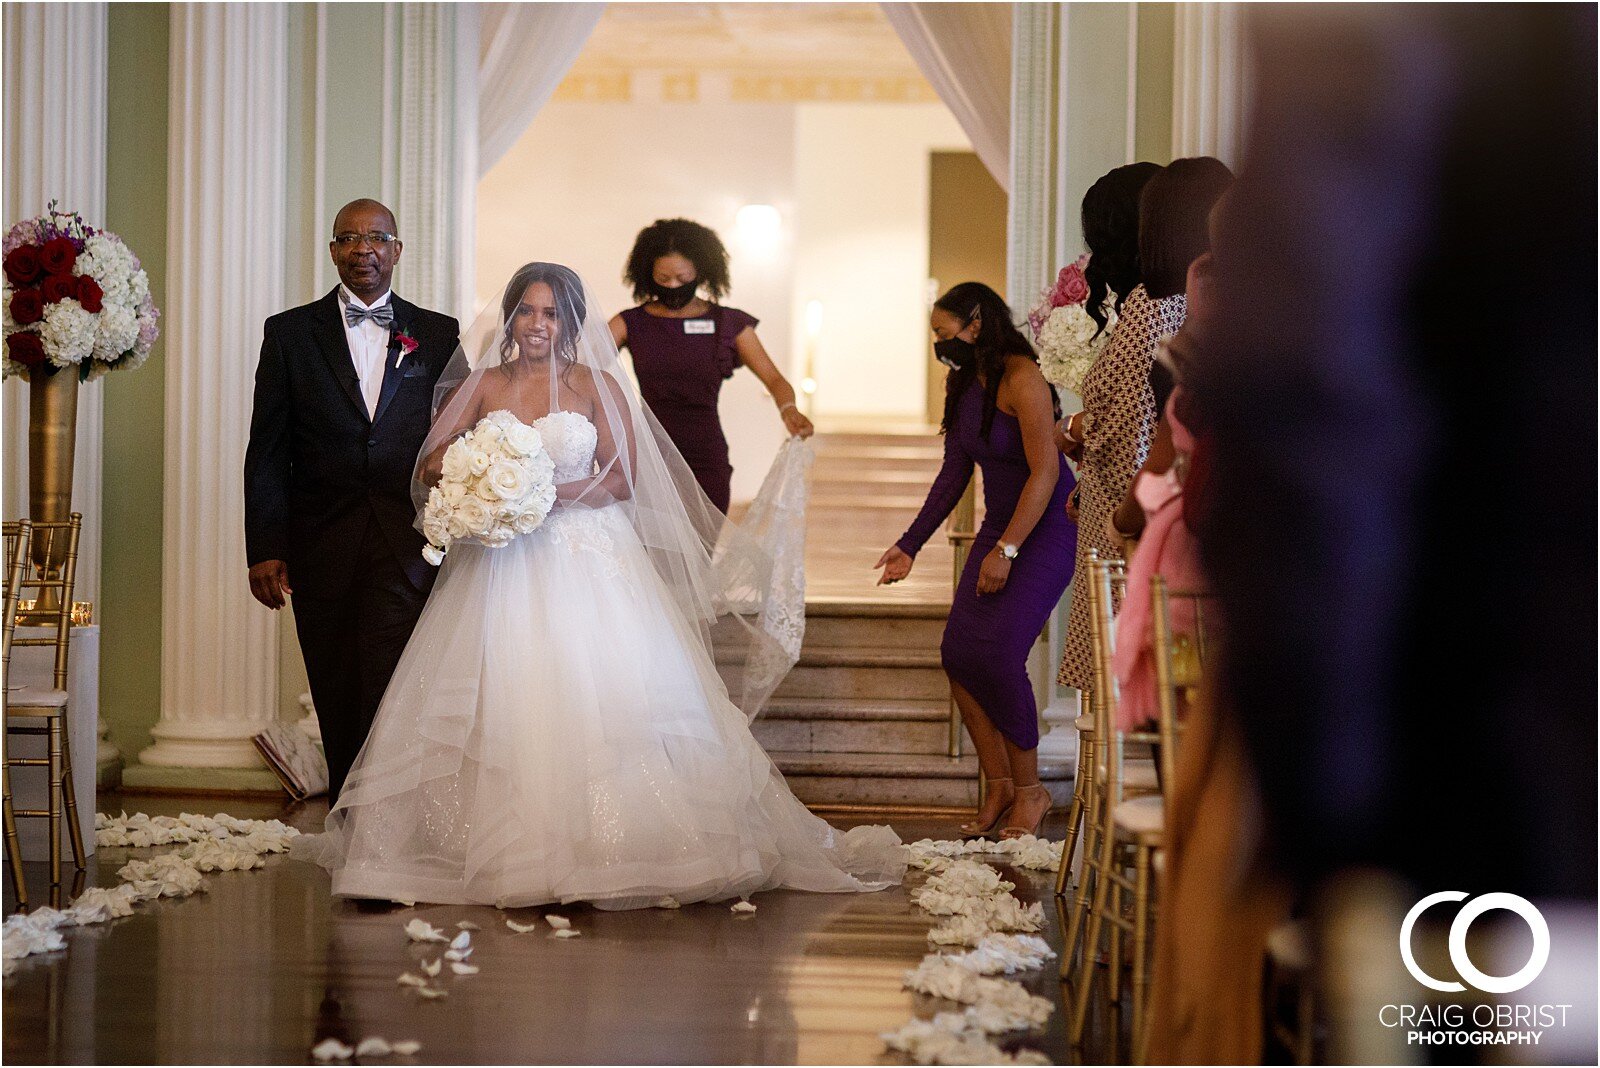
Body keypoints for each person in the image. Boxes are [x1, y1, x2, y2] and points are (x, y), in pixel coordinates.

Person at [297, 262, 905, 908]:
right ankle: (487, 850)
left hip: (588, 556)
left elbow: (620, 479)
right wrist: (480, 472)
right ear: (509, 319)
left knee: (605, 695)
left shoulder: (598, 385)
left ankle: (615, 848)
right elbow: (431, 459)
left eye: (551, 314)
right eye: (526, 312)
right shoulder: (484, 383)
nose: (537, 326)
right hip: (499, 565)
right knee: (501, 694)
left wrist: (536, 491)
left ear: (570, 323)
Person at [244, 199, 460, 801]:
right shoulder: (288, 333)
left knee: (392, 686)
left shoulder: (439, 333)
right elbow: (267, 450)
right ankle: (348, 825)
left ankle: (389, 827)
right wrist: (265, 547)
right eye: (349, 238)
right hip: (321, 543)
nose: (364, 249)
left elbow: (459, 434)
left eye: (378, 238)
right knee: (336, 689)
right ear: (334, 250)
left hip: (410, 542)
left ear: (397, 250)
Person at [875, 283, 1076, 840]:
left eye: (945, 334)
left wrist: (1006, 550)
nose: (941, 347)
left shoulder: (1024, 378)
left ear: (977, 321)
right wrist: (910, 544)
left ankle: (1032, 791)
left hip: (1046, 529)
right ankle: (1001, 784)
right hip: (998, 527)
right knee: (959, 656)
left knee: (1001, 656)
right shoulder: (963, 382)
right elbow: (954, 473)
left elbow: (1047, 473)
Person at [1056, 158, 1233, 704]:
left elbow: (1142, 434)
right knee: (1176, 696)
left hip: (1140, 521)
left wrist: (1116, 516)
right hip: (1148, 513)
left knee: (1156, 691)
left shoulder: (1158, 312)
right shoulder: (1189, 310)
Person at [609, 218, 813, 514]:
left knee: (702, 554)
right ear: (646, 275)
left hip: (706, 455)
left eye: (682, 277)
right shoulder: (630, 322)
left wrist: (788, 410)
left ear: (701, 272)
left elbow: (774, 378)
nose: (673, 286)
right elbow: (579, 369)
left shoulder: (727, 323)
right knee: (652, 555)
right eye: (663, 279)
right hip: (649, 455)